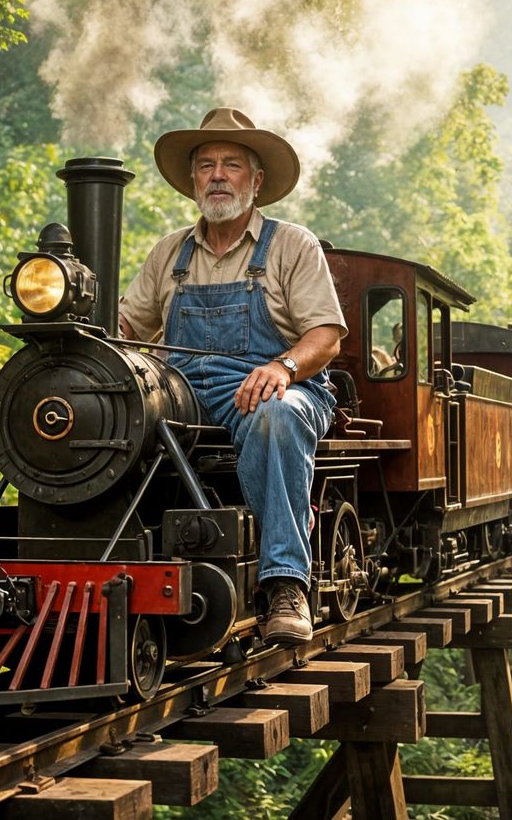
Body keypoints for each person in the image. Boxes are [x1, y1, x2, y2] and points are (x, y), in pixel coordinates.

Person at [118, 107, 345, 645]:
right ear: (193, 180)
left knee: (277, 415)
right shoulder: (168, 252)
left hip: (268, 387)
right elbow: (127, 326)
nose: (217, 175)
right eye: (206, 165)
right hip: (180, 393)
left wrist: (283, 367)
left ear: (257, 180)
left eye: (231, 165)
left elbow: (326, 336)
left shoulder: (292, 244)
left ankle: (286, 583)